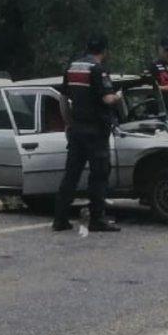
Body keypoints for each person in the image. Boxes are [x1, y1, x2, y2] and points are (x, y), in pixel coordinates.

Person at [53, 34, 123, 233]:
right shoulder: (98, 70)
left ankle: (60, 220)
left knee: (71, 175)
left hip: (76, 131)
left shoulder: (72, 68)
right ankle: (97, 220)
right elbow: (108, 99)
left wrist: (68, 123)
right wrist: (118, 96)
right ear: (105, 51)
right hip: (95, 132)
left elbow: (63, 99)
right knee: (99, 175)